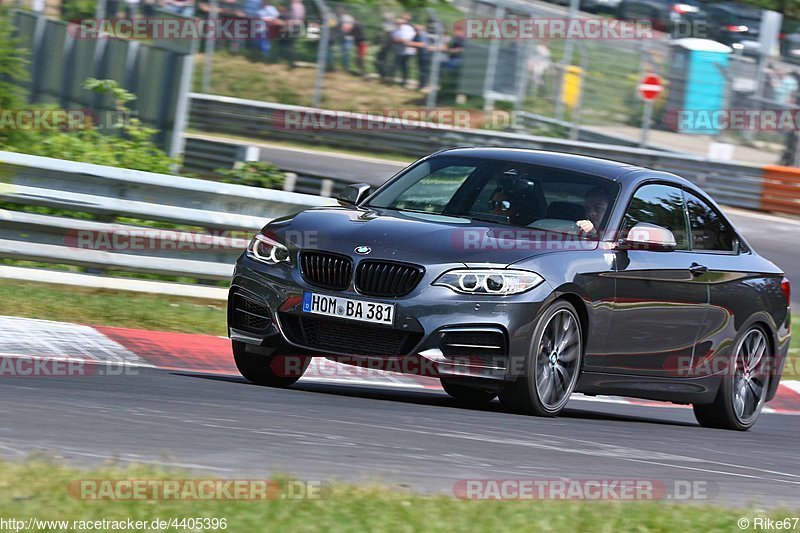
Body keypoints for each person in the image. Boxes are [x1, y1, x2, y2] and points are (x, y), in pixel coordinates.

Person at [391, 15, 416, 86]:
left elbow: (407, 40)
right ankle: (395, 78)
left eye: (400, 23)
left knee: (404, 66)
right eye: (397, 23)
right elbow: (394, 40)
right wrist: (399, 40)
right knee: (398, 65)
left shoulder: (408, 29)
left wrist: (400, 40)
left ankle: (405, 80)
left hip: (408, 51)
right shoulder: (395, 30)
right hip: (399, 51)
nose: (398, 24)